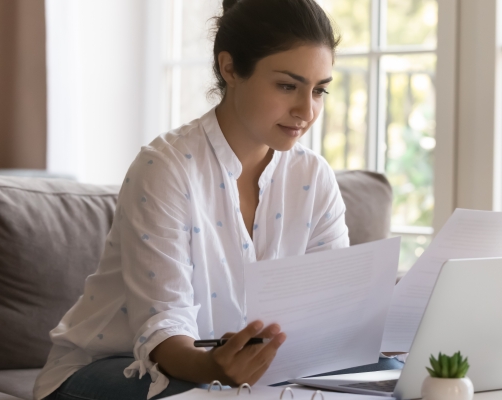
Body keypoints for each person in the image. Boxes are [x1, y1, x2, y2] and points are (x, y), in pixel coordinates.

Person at [34, 1, 401, 399]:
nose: (306, 110)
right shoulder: (166, 167)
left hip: (252, 369)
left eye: (319, 90)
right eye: (287, 86)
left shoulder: (313, 176)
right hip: (120, 366)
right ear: (230, 69)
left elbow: (325, 312)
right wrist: (216, 369)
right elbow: (163, 328)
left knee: (398, 375)